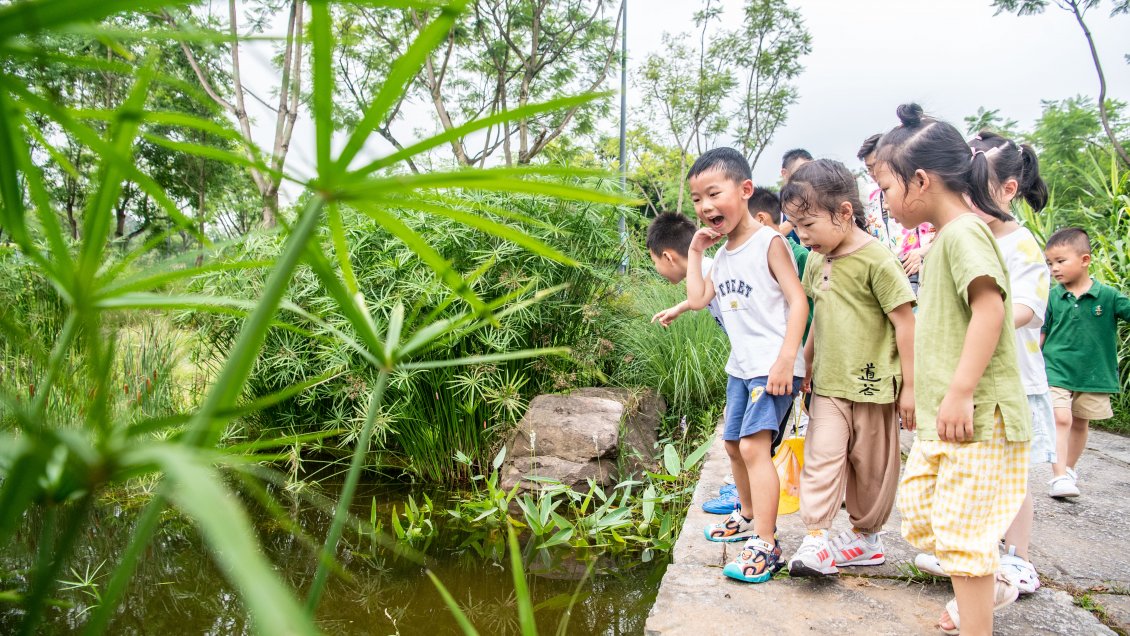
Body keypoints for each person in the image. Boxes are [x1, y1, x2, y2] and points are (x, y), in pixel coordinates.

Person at [875, 103, 1030, 636]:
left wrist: (961, 391)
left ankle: (978, 614)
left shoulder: (964, 234)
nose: (886, 202)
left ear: (920, 180)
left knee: (964, 539)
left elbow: (991, 310)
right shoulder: (942, 239)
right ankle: (990, 580)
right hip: (951, 413)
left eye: (888, 189)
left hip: (980, 415)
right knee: (924, 511)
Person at [913, 131, 1055, 595]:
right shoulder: (960, 237)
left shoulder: (1022, 244)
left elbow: (1025, 310)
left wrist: (975, 319)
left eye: (974, 187)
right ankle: (976, 558)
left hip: (1015, 381)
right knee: (973, 480)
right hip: (971, 380)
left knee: (1012, 482)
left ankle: (1017, 560)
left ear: (1007, 190)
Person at [777, 159, 916, 578]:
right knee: (822, 458)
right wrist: (808, 361)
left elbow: (906, 323)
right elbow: (818, 313)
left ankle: (865, 538)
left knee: (871, 467)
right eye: (795, 226)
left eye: (808, 224)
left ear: (843, 212)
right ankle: (816, 539)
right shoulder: (816, 261)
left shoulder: (878, 260)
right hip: (830, 385)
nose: (802, 236)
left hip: (874, 386)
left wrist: (910, 388)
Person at [684, 147, 808, 584]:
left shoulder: (769, 242)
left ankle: (767, 541)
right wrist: (696, 252)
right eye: (697, 198)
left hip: (773, 365)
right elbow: (699, 299)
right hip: (742, 366)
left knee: (756, 449)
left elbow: (798, 300)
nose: (705, 206)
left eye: (713, 194)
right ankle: (748, 512)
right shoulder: (722, 255)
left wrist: (788, 358)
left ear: (745, 190)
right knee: (734, 446)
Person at [1042, 227, 1130, 498]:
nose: (1054, 268)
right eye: (1050, 263)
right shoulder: (1053, 297)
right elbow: (1042, 333)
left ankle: (1067, 469)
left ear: (1085, 260)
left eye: (1060, 261)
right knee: (1060, 417)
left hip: (1094, 373)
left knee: (1081, 422)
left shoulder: (1109, 296)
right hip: (1056, 368)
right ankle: (1058, 477)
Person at [858, 133, 935, 293]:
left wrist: (922, 252)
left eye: (876, 165)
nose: (873, 173)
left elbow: (946, 230)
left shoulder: (919, 189)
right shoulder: (868, 196)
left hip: (924, 270)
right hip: (890, 274)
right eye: (869, 169)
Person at [647, 211, 725, 331]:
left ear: (668, 257)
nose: (656, 268)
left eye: (655, 262)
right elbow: (702, 296)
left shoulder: (717, 273)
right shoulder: (706, 270)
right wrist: (678, 308)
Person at [778, 148, 813, 242]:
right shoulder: (770, 204)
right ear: (784, 173)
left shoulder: (816, 201)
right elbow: (763, 241)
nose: (806, 177)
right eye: (800, 171)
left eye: (810, 172)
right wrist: (793, 220)